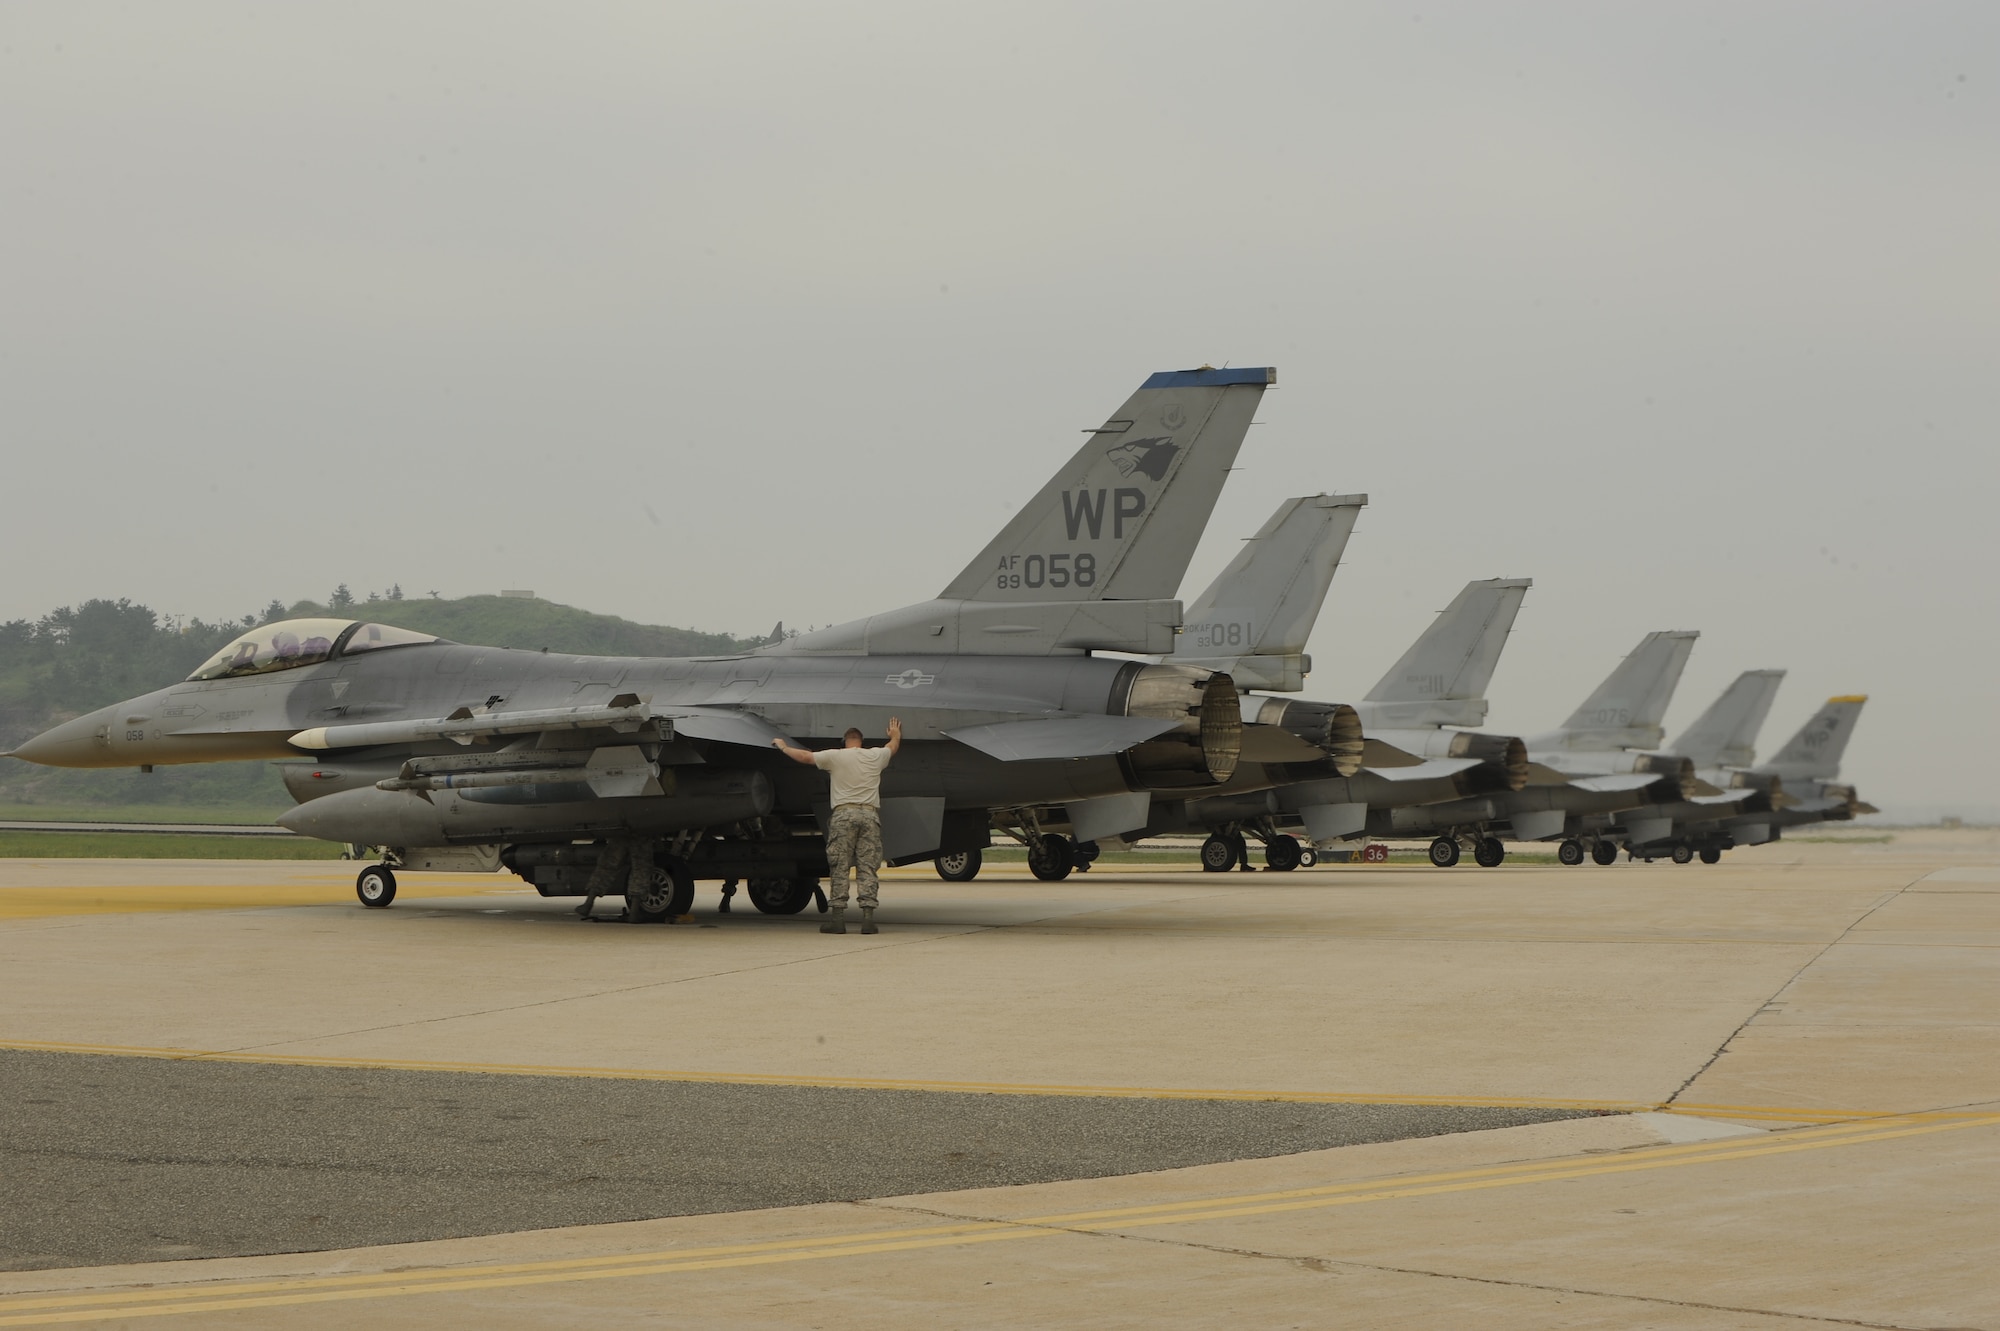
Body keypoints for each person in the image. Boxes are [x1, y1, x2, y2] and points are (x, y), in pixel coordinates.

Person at [772, 718, 901, 934]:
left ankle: (838, 920)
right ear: (861, 741)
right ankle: (868, 919)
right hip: (869, 815)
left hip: (844, 815)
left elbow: (805, 757)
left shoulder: (835, 756)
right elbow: (892, 747)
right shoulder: (875, 755)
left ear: (845, 741)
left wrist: (784, 747)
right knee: (867, 867)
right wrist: (895, 734)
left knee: (840, 867)